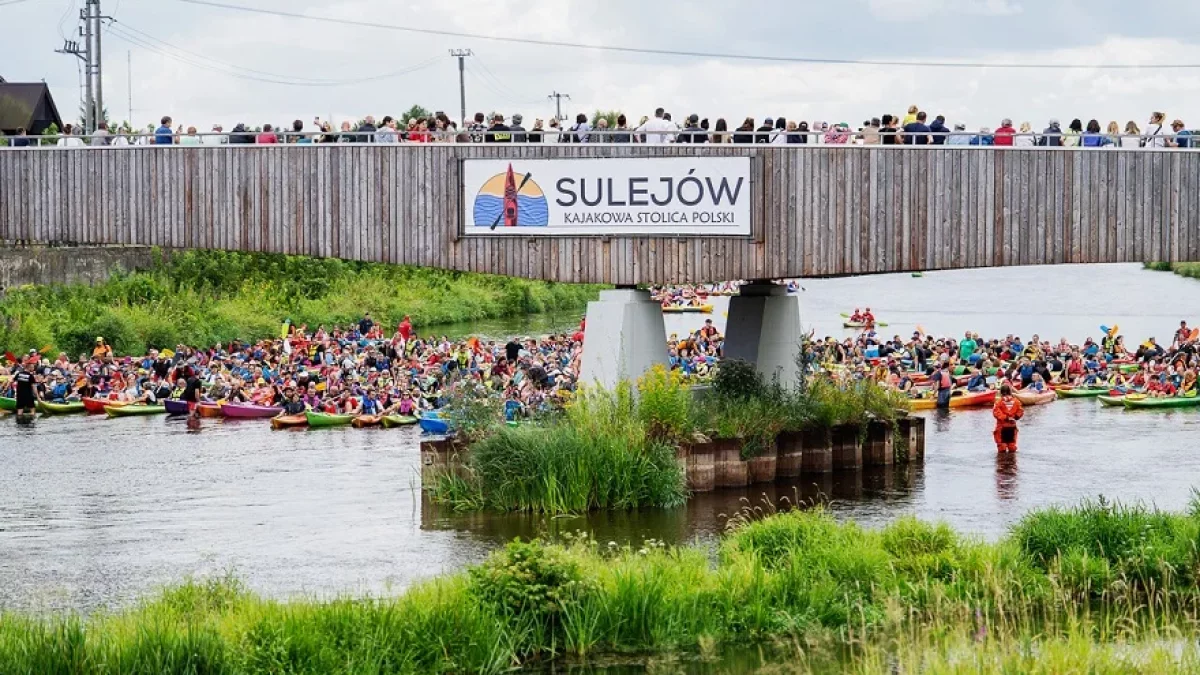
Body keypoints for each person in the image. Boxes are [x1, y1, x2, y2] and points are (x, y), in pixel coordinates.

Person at [992, 383, 1024, 453]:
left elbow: (996, 413)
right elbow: (1020, 411)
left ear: (1001, 392)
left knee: (1001, 446)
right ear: (1010, 391)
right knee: (1012, 445)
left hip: (1002, 426)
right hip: (1012, 426)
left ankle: (1002, 459)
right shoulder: (1016, 401)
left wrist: (1006, 418)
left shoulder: (998, 402)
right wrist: (1015, 417)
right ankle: (1012, 459)